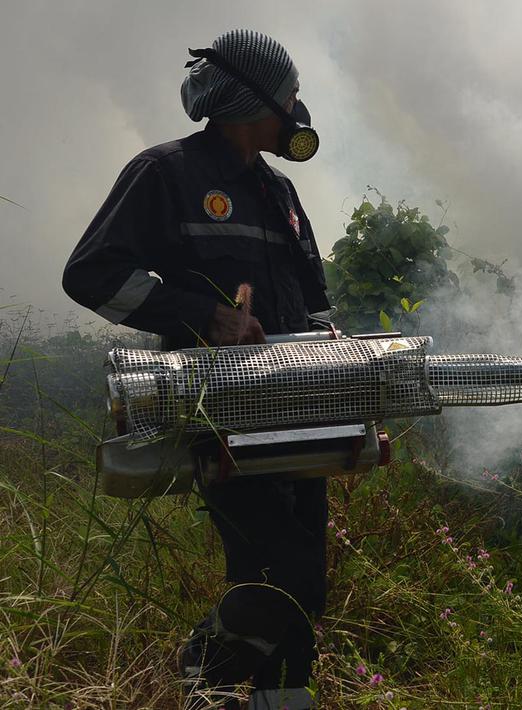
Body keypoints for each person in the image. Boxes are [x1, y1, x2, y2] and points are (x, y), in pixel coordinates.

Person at [62, 29, 330, 710]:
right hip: (218, 416)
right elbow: (91, 273)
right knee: (280, 570)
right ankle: (200, 667)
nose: (299, 107)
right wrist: (200, 317)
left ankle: (266, 697)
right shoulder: (167, 173)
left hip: (300, 413)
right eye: (292, 92)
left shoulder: (282, 195)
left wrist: (344, 368)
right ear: (259, 97)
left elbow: (316, 311)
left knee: (303, 582)